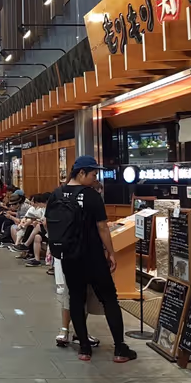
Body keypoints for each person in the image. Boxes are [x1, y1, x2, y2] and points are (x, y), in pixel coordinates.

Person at [46, 155, 137, 363]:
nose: (96, 178)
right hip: (93, 256)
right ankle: (120, 349)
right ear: (81, 173)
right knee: (109, 299)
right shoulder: (91, 196)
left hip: (69, 257)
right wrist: (111, 253)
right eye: (94, 174)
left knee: (77, 299)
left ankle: (84, 349)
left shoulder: (56, 194)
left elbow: (49, 223)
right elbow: (102, 227)